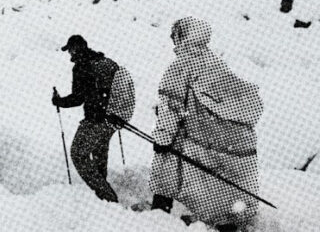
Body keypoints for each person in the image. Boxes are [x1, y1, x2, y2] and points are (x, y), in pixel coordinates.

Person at [148, 17, 262, 231]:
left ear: (181, 38)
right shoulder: (215, 62)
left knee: (170, 171)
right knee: (218, 187)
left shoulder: (179, 68)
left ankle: (158, 219)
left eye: (175, 36)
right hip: (230, 141)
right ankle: (229, 222)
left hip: (197, 139)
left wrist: (162, 139)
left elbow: (170, 109)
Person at [52, 35, 121, 203]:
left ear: (75, 49)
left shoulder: (82, 67)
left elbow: (78, 98)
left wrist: (59, 101)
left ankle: (108, 198)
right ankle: (103, 201)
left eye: (70, 50)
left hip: (95, 119)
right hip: (112, 119)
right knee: (99, 156)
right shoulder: (103, 62)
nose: (69, 54)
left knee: (78, 154)